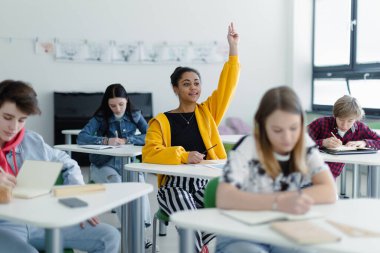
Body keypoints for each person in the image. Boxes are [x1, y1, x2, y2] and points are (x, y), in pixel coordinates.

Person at [142, 22, 240, 253]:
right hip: (174, 186)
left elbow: (228, 86)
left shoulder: (208, 113)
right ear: (175, 89)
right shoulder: (161, 121)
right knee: (189, 218)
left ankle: (197, 246)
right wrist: (183, 155)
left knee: (230, 212)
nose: (193, 88)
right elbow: (150, 152)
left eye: (196, 83)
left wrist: (233, 48)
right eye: (186, 84)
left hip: (203, 182)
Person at [0, 80, 120, 253]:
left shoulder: (32, 141)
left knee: (109, 236)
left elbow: (68, 164)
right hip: (5, 225)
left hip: (40, 219)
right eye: (7, 118)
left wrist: (77, 200)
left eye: (22, 120)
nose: (14, 127)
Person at [215, 86, 337, 253]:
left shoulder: (304, 142)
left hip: (283, 230)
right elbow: (224, 197)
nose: (287, 138)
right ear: (262, 126)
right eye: (277, 130)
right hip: (241, 233)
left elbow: (329, 191)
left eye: (294, 128)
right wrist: (279, 202)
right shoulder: (248, 146)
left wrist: (286, 202)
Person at [76, 83, 151, 227]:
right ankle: (131, 229)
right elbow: (81, 137)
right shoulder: (99, 117)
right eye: (113, 105)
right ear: (107, 104)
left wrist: (128, 140)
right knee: (117, 185)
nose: (117, 109)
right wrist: (105, 140)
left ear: (127, 101)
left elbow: (151, 136)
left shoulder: (135, 115)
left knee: (140, 185)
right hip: (103, 165)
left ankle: (141, 229)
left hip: (127, 165)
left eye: (121, 104)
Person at [308, 95, 380, 179]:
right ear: (335, 116)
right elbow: (298, 142)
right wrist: (322, 142)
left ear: (356, 119)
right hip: (307, 171)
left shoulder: (360, 128)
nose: (345, 126)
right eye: (341, 120)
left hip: (330, 176)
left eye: (350, 121)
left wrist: (364, 143)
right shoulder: (321, 123)